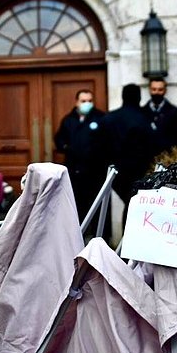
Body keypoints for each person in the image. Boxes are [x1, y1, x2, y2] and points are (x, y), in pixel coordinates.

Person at [54, 89, 110, 240]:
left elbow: (108, 142)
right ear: (77, 102)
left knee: (97, 209)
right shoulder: (69, 120)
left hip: (95, 173)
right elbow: (59, 139)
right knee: (76, 208)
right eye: (83, 101)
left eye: (90, 100)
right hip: (75, 173)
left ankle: (100, 241)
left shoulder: (101, 118)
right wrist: (66, 147)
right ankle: (76, 241)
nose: (87, 104)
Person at [99, 84, 155, 229]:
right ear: (139, 97)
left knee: (130, 203)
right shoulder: (144, 119)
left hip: (115, 173)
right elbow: (151, 147)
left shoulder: (108, 119)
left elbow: (100, 147)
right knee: (133, 204)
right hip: (139, 172)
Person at [141, 76, 177, 156]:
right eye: (154, 89)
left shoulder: (174, 112)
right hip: (146, 159)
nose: (156, 92)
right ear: (149, 90)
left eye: (160, 90)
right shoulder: (142, 112)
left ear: (165, 90)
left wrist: (170, 153)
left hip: (167, 158)